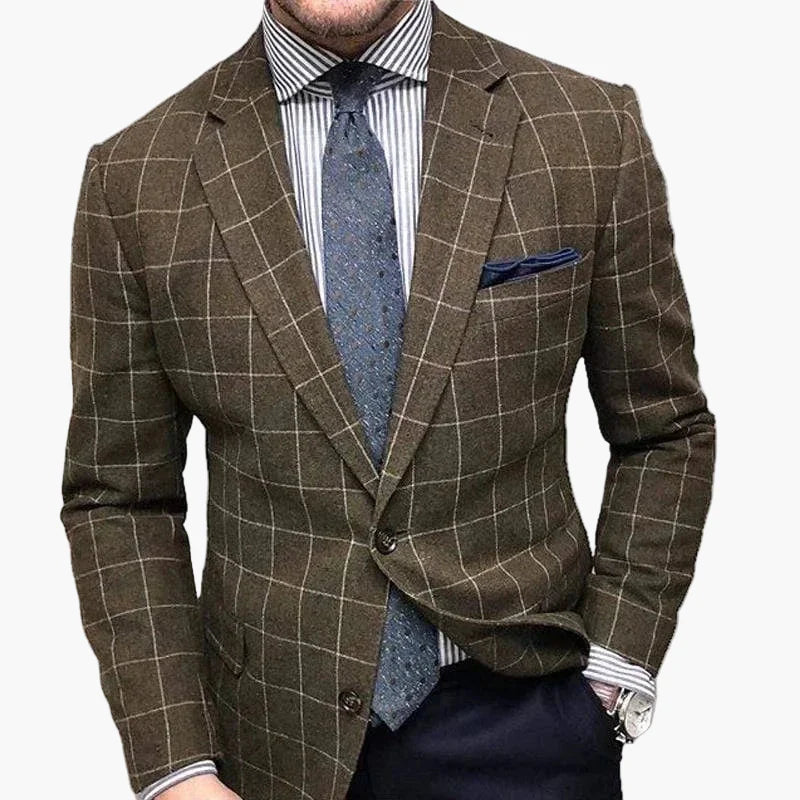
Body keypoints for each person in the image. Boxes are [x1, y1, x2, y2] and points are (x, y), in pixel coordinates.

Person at [59, 1, 716, 798]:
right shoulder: (136, 177)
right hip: (265, 748)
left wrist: (611, 678)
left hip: (527, 722)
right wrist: (177, 768)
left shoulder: (585, 129)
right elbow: (120, 495)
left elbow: (664, 428)